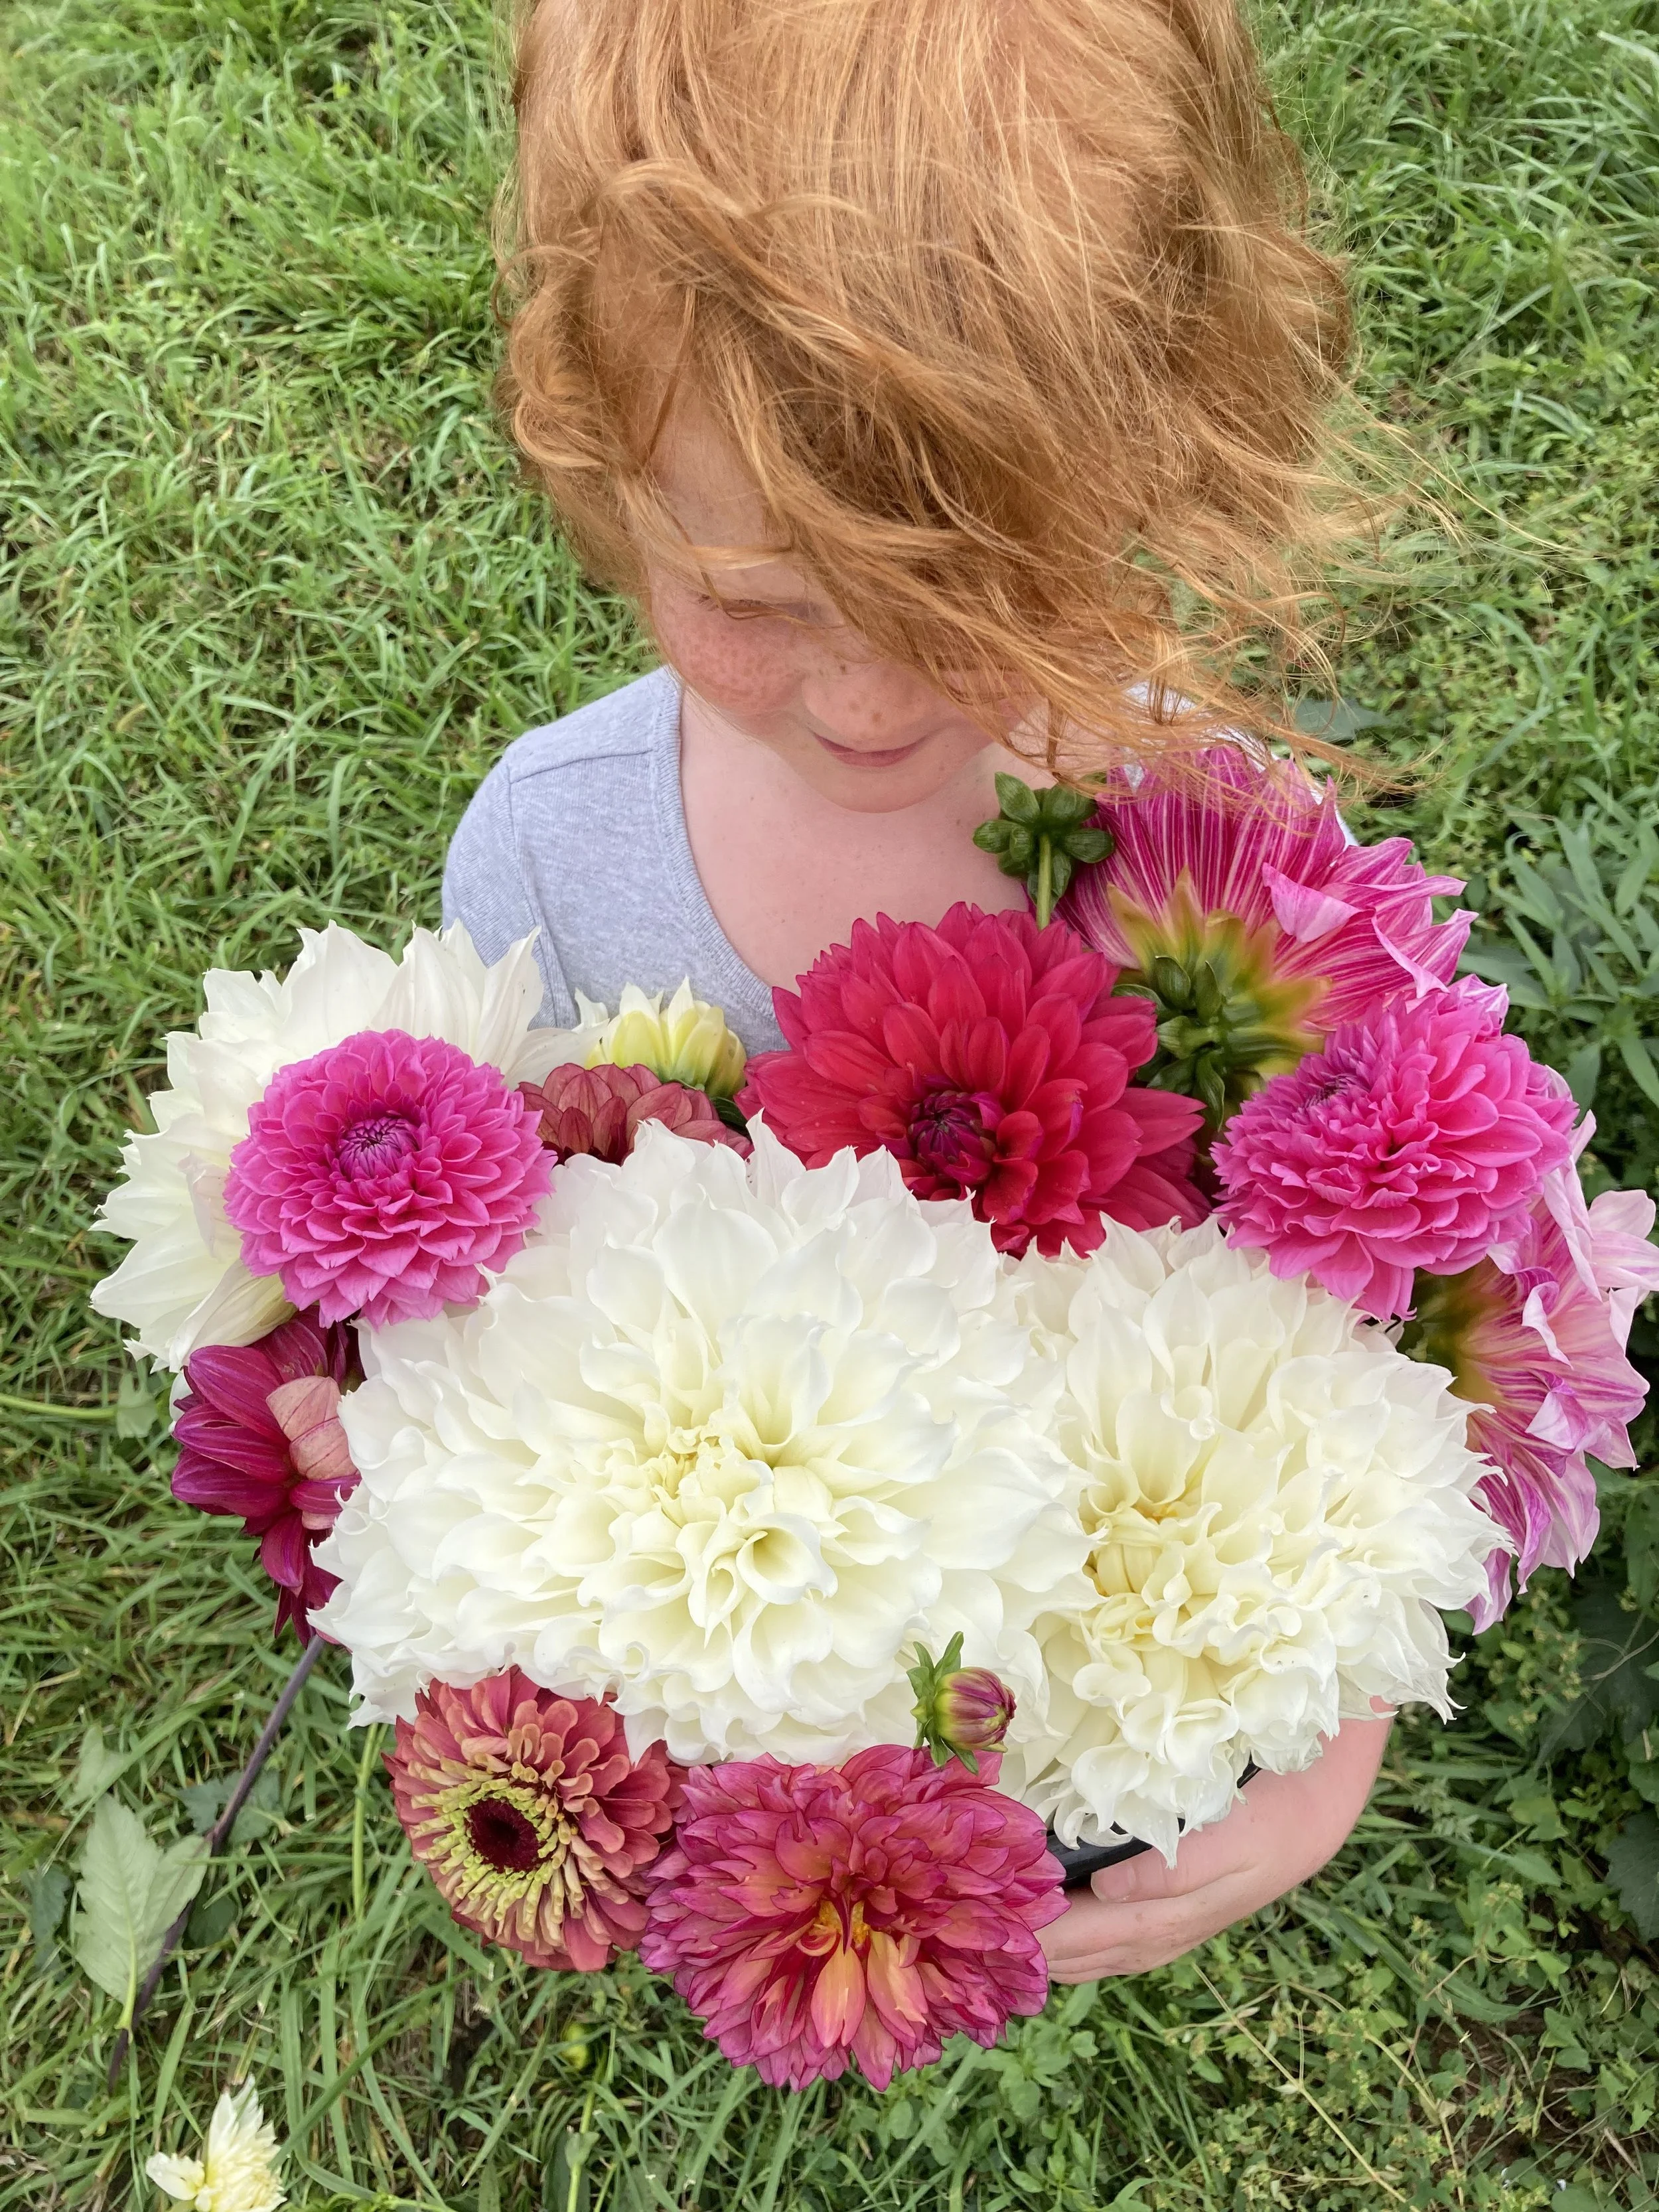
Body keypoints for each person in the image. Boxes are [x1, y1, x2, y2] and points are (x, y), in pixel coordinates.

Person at [443, 0, 1392, 1982]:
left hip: (1117, 1639)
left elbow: (1381, 1336)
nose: (868, 698)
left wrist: (1325, 1735)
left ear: (1162, 427)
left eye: (979, 579)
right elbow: (517, 1315)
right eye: (761, 597)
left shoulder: (1231, 870)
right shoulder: (546, 869)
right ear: (592, 448)